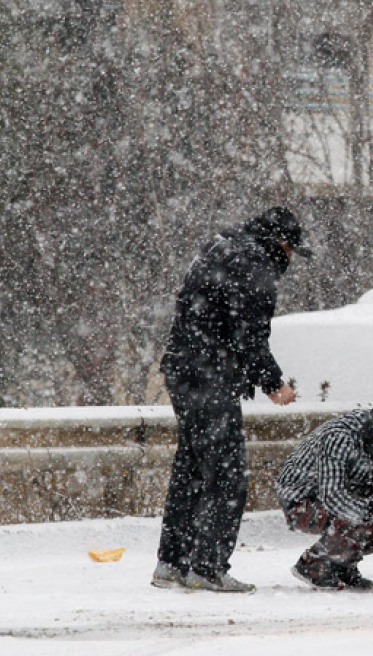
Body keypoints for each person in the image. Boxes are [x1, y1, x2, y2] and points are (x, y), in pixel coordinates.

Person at [152, 206, 311, 593]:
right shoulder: (254, 266)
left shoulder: (220, 247)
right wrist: (275, 384)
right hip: (209, 377)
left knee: (191, 469)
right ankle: (207, 568)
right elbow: (249, 335)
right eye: (291, 251)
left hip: (182, 371)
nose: (291, 260)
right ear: (280, 244)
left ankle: (171, 563)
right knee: (227, 475)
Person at [276, 394, 373, 590]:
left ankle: (341, 565)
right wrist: (370, 511)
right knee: (366, 519)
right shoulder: (339, 438)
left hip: (352, 495)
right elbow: (333, 496)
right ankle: (314, 564)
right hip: (303, 500)